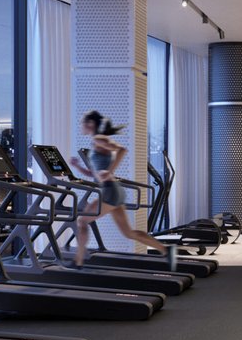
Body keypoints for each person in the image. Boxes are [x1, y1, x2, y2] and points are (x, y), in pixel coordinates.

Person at [69, 110, 169, 266]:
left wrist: (110, 171)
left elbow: (122, 150)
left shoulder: (98, 139)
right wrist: (77, 167)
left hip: (110, 191)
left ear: (91, 124)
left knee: (82, 221)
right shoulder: (95, 142)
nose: (81, 125)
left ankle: (78, 261)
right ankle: (165, 250)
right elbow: (94, 173)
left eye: (83, 122)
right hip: (113, 191)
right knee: (128, 233)